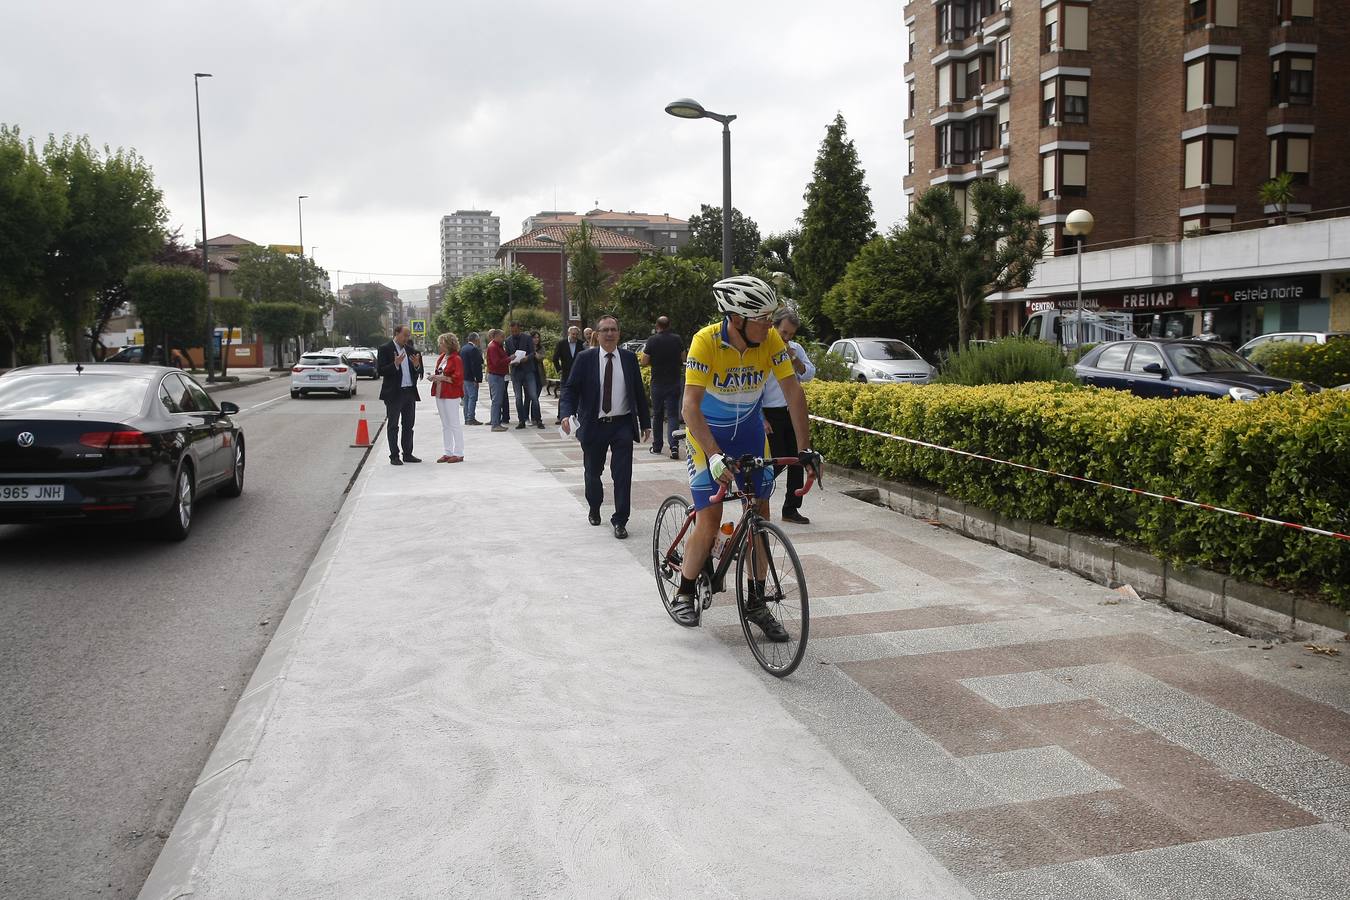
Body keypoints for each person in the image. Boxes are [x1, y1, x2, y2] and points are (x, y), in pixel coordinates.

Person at [669, 276, 820, 638]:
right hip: (708, 436)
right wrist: (715, 455)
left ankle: (755, 602)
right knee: (711, 517)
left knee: (759, 514)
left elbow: (793, 392)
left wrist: (805, 449)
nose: (770, 325)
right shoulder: (705, 342)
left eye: (771, 318)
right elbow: (689, 406)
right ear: (736, 319)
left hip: (750, 434)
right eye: (763, 319)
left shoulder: (768, 340)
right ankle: (685, 592)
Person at [559, 315, 651, 540]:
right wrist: (566, 414)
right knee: (592, 472)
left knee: (622, 474)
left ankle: (620, 520)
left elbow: (638, 392)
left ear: (619, 334)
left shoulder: (629, 358)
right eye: (605, 330)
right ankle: (594, 505)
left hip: (622, 425)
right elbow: (570, 389)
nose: (610, 334)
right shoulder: (585, 358)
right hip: (593, 424)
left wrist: (646, 423)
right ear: (597, 335)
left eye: (614, 329)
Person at [762, 308, 816, 524]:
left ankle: (790, 509)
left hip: (791, 410)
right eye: (783, 332)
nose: (786, 338)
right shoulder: (763, 349)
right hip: (770, 412)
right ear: (773, 326)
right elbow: (754, 388)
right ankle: (758, 492)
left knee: (796, 459)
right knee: (777, 458)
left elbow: (809, 374)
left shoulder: (795, 349)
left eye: (790, 334)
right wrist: (761, 417)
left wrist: (794, 359)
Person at [377, 325, 424, 465]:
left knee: (408, 425)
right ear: (396, 333)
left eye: (408, 335)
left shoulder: (411, 351)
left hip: (409, 393)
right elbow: (380, 370)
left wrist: (417, 366)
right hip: (394, 394)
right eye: (405, 335)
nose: (407, 338)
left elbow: (419, 372)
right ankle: (394, 456)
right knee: (393, 426)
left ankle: (408, 454)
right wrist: (395, 364)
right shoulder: (385, 349)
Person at [640, 315, 685, 459]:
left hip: (658, 382)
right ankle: (674, 446)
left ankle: (657, 446)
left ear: (657, 326)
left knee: (657, 415)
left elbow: (644, 361)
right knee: (672, 415)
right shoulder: (677, 339)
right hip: (674, 381)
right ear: (669, 325)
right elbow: (684, 357)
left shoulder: (653, 340)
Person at [430, 332, 465, 463]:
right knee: (445, 424)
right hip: (440, 392)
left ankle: (459, 453)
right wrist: (434, 377)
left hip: (451, 393)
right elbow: (438, 373)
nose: (440, 345)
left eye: (441, 343)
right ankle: (448, 451)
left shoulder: (456, 359)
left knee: (454, 423)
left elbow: (458, 378)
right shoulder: (442, 357)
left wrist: (442, 377)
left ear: (448, 344)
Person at [504, 322, 543, 430]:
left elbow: (532, 353)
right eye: (512, 331)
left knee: (533, 396)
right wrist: (511, 360)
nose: (514, 333)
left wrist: (527, 358)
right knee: (518, 398)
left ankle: (538, 420)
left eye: (516, 331)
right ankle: (521, 420)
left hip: (528, 370)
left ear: (519, 329)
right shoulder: (508, 340)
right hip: (516, 371)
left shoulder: (527, 338)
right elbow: (507, 355)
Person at [552, 325, 586, 422]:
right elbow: (555, 358)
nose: (575, 336)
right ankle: (561, 416)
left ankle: (576, 415)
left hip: (578, 374)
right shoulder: (561, 343)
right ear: (569, 334)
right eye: (573, 334)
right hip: (566, 374)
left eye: (576, 334)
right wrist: (559, 369)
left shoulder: (581, 344)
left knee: (578, 395)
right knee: (564, 395)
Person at [485, 328, 510, 432]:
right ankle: (495, 424)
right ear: (495, 336)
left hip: (499, 375)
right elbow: (496, 362)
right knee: (497, 401)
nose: (503, 339)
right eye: (502, 336)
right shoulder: (493, 347)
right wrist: (510, 359)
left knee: (498, 400)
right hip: (496, 376)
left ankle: (496, 423)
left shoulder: (497, 346)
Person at [460, 332, 484, 425]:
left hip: (464, 377)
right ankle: (471, 418)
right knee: (472, 397)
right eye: (478, 339)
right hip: (471, 378)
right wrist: (476, 379)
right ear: (476, 339)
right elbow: (475, 365)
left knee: (466, 398)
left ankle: (467, 417)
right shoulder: (474, 349)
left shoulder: (463, 348)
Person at [530, 329, 547, 426]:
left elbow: (541, 357)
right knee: (534, 398)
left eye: (537, 337)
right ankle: (537, 419)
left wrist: (534, 353)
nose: (536, 339)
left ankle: (534, 417)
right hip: (530, 375)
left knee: (536, 397)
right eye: (534, 337)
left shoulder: (540, 348)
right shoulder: (528, 347)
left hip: (539, 375)